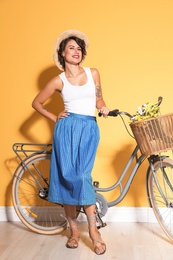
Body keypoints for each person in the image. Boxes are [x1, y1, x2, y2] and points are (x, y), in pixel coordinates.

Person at [32, 29, 109, 255]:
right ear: (62, 53)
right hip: (66, 130)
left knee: (82, 176)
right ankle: (74, 232)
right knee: (66, 177)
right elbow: (37, 103)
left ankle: (94, 231)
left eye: (79, 48)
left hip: (88, 127)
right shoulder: (58, 80)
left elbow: (99, 97)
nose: (76, 51)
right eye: (71, 48)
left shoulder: (93, 73)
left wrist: (102, 106)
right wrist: (55, 118)